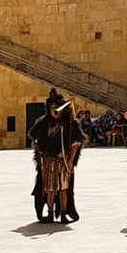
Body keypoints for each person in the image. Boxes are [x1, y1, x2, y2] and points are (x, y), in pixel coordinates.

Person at [30, 95, 85, 223]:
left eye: (56, 108)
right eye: (52, 108)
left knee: (63, 189)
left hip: (62, 161)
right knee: (49, 189)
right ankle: (49, 213)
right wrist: (41, 156)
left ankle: (63, 213)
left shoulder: (70, 124)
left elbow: (77, 143)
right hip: (48, 160)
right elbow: (36, 138)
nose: (54, 111)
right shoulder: (44, 123)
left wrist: (71, 161)